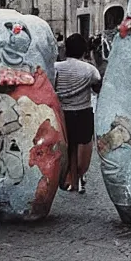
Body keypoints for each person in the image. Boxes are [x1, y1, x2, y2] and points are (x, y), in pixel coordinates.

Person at [54, 34, 101, 194]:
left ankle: (68, 177)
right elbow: (97, 86)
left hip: (63, 113)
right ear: (83, 50)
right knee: (84, 145)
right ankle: (79, 176)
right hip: (83, 112)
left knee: (68, 147)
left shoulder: (56, 68)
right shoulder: (89, 70)